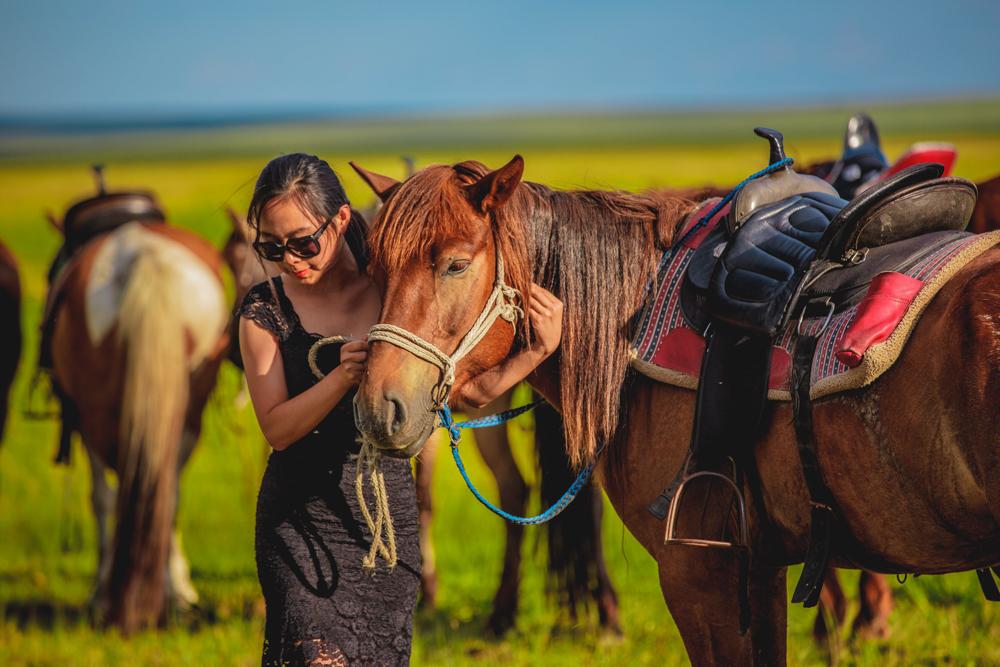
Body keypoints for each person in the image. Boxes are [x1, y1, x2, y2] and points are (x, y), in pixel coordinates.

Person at [238, 153, 563, 666]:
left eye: (303, 242)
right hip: (299, 528)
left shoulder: (389, 293)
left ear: (341, 220)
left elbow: (462, 398)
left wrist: (536, 353)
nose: (291, 260)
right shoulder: (264, 311)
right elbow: (277, 430)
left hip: (386, 536)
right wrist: (341, 379)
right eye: (271, 247)